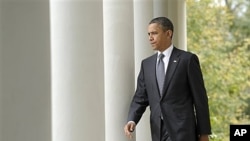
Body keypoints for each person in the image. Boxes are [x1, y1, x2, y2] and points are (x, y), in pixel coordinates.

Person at [124, 17, 211, 141]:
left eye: (154, 33)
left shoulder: (187, 60)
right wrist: (132, 119)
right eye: (148, 34)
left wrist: (204, 133)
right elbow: (140, 97)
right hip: (158, 131)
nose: (150, 38)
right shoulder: (146, 64)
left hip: (183, 131)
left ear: (168, 33)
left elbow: (200, 99)